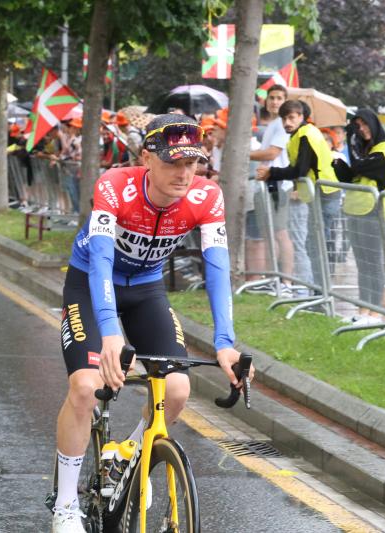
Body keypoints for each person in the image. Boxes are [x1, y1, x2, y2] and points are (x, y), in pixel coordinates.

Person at [51, 114, 252, 532]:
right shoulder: (115, 185)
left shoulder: (206, 196)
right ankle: (66, 503)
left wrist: (225, 344)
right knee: (86, 386)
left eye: (192, 163)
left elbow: (217, 270)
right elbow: (102, 263)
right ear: (146, 157)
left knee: (177, 389)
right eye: (173, 163)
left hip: (146, 289)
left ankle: (132, 453)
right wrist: (109, 335)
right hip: (90, 284)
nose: (184, 174)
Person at [256, 100, 339, 293]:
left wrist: (271, 173)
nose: (287, 122)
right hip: (317, 194)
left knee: (317, 244)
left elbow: (300, 170)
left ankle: (321, 294)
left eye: (292, 117)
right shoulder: (299, 135)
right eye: (284, 118)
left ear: (302, 117)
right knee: (313, 243)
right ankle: (317, 292)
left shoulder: (306, 134)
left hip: (325, 194)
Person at [333, 109, 385, 324]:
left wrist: (350, 145)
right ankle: (363, 310)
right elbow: (349, 173)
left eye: (363, 125)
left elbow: (363, 167)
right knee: (362, 264)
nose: (361, 130)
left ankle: (375, 313)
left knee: (374, 263)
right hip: (358, 211)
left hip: (378, 213)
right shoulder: (363, 150)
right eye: (357, 126)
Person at [249, 85, 294, 293]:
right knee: (269, 234)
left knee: (280, 234)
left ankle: (286, 282)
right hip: (266, 185)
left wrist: (243, 152)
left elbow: (272, 154)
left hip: (278, 186)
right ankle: (272, 278)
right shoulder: (272, 125)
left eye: (279, 98)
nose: (274, 102)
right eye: (271, 98)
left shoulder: (283, 125)